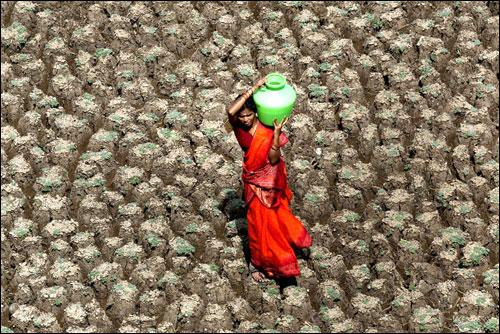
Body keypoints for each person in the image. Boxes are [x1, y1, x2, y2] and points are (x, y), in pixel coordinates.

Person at [225, 77, 313, 283]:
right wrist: (254, 88)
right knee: (258, 224)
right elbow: (231, 112)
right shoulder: (239, 129)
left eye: (248, 115)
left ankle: (282, 248)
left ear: (256, 112)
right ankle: (258, 261)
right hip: (255, 184)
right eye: (242, 117)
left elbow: (274, 160)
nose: (245, 119)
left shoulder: (266, 129)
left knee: (276, 218)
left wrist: (275, 135)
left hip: (271, 181)